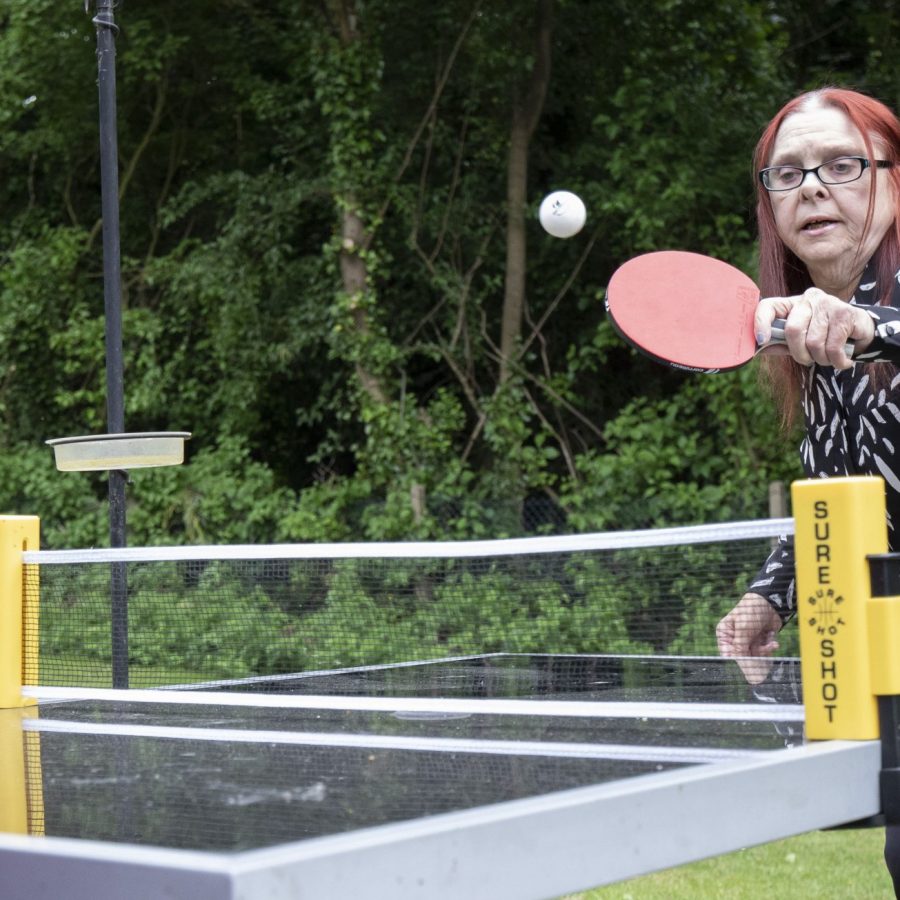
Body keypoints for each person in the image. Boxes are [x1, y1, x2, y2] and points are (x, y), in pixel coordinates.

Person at [714, 85, 900, 894]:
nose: (812, 186)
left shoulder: (861, 321)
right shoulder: (817, 340)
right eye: (786, 174)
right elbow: (845, 489)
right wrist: (771, 597)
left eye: (842, 164)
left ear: (893, 179)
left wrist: (878, 331)